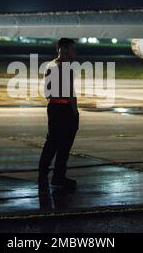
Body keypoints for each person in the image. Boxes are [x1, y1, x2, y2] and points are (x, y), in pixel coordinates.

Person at [39, 38, 79, 190]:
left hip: (54, 107)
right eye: (72, 49)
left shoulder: (52, 65)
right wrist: (74, 111)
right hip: (62, 108)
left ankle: (44, 172)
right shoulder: (64, 67)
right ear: (64, 49)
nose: (74, 52)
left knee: (52, 142)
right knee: (62, 144)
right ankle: (58, 176)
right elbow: (69, 92)